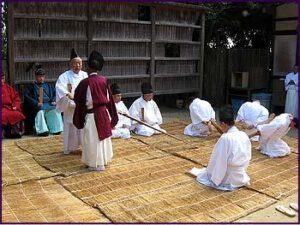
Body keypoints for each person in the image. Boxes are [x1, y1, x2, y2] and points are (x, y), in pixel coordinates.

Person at [73, 50, 118, 171]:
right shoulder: (104, 80)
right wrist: (112, 115)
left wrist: (80, 116)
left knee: (92, 139)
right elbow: (109, 99)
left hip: (92, 115)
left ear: (88, 67)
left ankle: (95, 164)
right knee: (102, 138)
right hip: (104, 113)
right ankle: (104, 160)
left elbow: (79, 100)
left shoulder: (84, 83)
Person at [193, 105, 252, 191]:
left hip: (227, 178)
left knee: (204, 174)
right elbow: (247, 157)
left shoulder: (225, 138)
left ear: (223, 124)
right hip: (240, 175)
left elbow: (220, 161)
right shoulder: (243, 135)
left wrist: (215, 180)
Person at [55, 49, 88, 154]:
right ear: (71, 64)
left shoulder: (85, 75)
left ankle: (84, 147)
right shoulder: (64, 76)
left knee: (83, 127)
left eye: (79, 63)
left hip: (82, 106)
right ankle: (69, 148)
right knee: (70, 126)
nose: (77, 65)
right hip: (70, 106)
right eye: (75, 63)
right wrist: (68, 94)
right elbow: (59, 87)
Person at [23, 65, 63, 136]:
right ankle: (42, 130)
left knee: (55, 109)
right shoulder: (31, 87)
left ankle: (56, 129)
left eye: (42, 76)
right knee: (40, 110)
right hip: (38, 105)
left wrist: (54, 100)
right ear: (36, 77)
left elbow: (54, 94)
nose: (41, 78)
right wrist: (36, 103)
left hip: (48, 103)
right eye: (39, 76)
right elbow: (27, 97)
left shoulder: (48, 86)